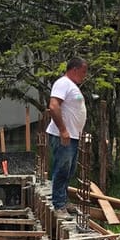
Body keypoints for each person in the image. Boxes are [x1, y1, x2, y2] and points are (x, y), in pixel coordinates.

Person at [46, 56, 88, 213]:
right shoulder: (63, 83)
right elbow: (53, 106)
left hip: (72, 137)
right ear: (74, 69)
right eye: (83, 71)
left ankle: (62, 200)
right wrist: (63, 130)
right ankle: (58, 204)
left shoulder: (72, 86)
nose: (84, 75)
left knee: (69, 170)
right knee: (62, 169)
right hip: (63, 136)